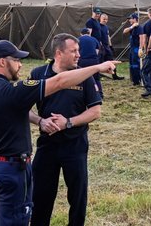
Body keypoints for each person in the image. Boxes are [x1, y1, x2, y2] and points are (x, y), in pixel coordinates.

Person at [0, 40, 117, 226]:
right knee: (14, 217)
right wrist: (98, 66)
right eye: (17, 60)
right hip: (12, 168)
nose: (20, 65)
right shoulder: (14, 91)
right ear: (2, 62)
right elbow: (59, 82)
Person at [29, 33, 103, 226]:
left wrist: (68, 122)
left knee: (77, 196)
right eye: (74, 51)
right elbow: (23, 108)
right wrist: (40, 121)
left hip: (75, 145)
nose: (79, 55)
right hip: (47, 145)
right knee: (40, 195)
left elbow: (95, 111)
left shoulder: (84, 76)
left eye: (78, 51)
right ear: (58, 53)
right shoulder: (38, 75)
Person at [78, 28, 103, 98]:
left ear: (81, 34)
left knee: (82, 78)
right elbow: (97, 51)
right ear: (89, 33)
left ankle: (83, 94)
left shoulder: (78, 39)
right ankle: (100, 94)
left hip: (83, 61)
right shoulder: (94, 39)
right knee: (96, 79)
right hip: (94, 60)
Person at [100, 13, 125, 80]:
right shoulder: (98, 26)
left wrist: (110, 46)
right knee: (99, 61)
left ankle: (115, 75)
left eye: (106, 19)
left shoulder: (106, 27)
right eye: (103, 19)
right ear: (100, 19)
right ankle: (98, 75)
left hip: (107, 47)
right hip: (100, 47)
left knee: (111, 60)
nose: (105, 20)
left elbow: (108, 37)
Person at [123, 13, 143, 86]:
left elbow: (142, 38)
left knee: (136, 64)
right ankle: (134, 80)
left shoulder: (139, 28)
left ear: (135, 19)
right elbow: (124, 31)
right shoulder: (132, 27)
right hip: (132, 48)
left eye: (130, 19)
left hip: (136, 48)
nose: (129, 20)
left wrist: (140, 48)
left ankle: (138, 80)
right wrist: (132, 27)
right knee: (131, 64)